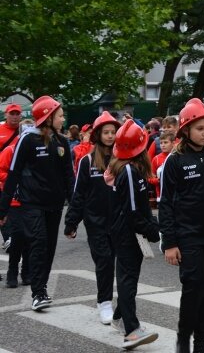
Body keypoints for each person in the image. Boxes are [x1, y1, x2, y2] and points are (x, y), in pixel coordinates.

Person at [159, 99, 204, 353]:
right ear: (185, 130)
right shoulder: (174, 161)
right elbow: (165, 204)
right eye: (200, 128)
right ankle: (183, 338)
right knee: (195, 287)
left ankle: (200, 343)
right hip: (188, 236)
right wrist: (170, 243)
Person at [0, 95, 74, 311]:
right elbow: (13, 174)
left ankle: (40, 287)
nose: (63, 119)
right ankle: (38, 293)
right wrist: (3, 209)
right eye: (60, 115)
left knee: (50, 248)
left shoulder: (61, 142)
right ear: (47, 117)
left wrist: (75, 211)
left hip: (54, 205)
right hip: (31, 204)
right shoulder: (27, 140)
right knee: (39, 243)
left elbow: (69, 177)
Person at [105, 119, 161, 349]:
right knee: (128, 281)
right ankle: (131, 330)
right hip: (127, 234)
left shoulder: (129, 168)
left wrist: (151, 224)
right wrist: (152, 229)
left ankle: (119, 317)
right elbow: (133, 211)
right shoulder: (129, 170)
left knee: (130, 279)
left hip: (127, 231)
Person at [63, 111, 121, 324]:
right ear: (97, 135)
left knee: (120, 262)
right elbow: (79, 195)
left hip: (118, 221)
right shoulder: (87, 161)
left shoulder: (123, 160)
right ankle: (104, 302)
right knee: (104, 260)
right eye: (105, 132)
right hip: (95, 222)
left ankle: (122, 303)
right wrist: (71, 223)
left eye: (113, 132)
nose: (109, 136)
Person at [0, 118, 34, 288]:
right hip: (14, 201)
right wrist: (16, 178)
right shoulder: (10, 150)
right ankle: (12, 272)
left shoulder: (36, 152)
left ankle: (26, 272)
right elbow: (1, 171)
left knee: (30, 238)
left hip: (32, 201)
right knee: (18, 235)